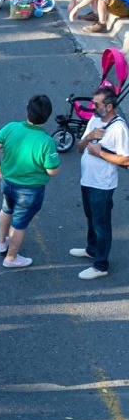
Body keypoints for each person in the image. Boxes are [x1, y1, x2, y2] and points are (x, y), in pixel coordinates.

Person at [0, 95, 61, 268]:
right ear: (47, 116)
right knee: (19, 224)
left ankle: (1, 242)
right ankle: (11, 258)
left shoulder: (11, 127)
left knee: (6, 209)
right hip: (30, 191)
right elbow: (52, 171)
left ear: (28, 111)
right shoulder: (46, 141)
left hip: (7, 182)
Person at [73, 85, 129, 279]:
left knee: (101, 224)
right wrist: (90, 136)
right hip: (87, 180)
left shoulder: (119, 128)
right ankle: (92, 249)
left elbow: (126, 160)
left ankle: (100, 265)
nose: (92, 106)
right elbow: (80, 147)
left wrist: (101, 153)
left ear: (109, 106)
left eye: (96, 104)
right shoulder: (94, 120)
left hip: (102, 185)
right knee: (91, 217)